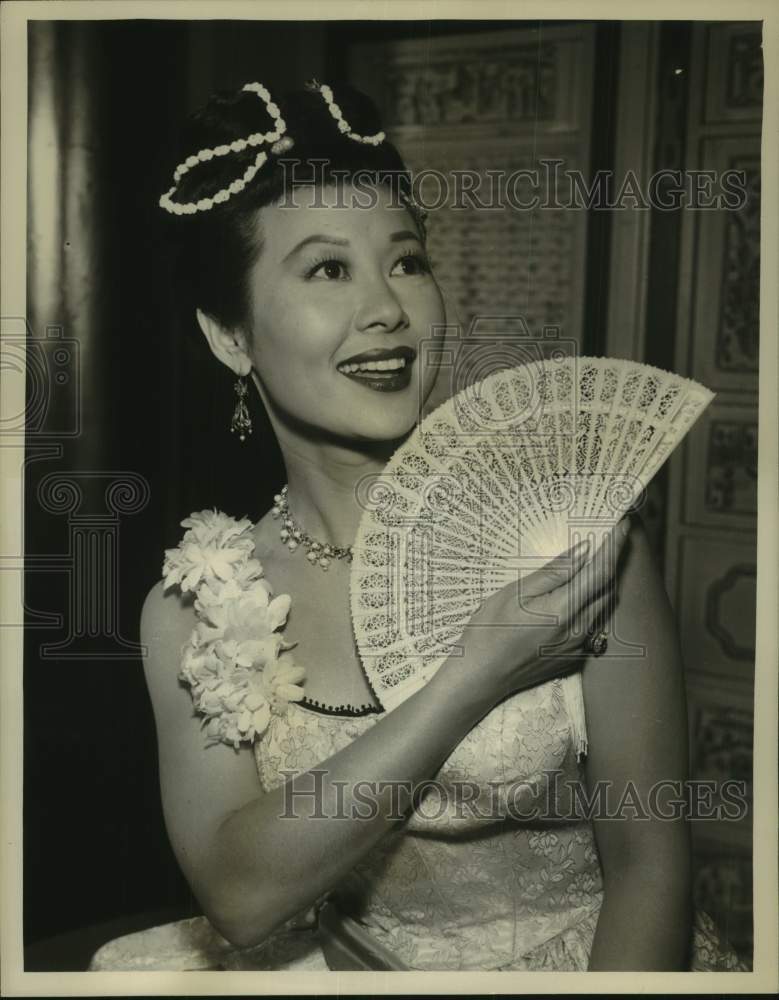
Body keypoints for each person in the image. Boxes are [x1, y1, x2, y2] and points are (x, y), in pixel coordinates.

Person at [89, 80, 746, 972]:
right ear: (229, 337)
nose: (388, 310)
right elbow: (239, 898)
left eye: (405, 261)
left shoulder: (579, 546)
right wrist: (476, 676)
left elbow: (650, 871)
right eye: (328, 271)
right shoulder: (196, 610)